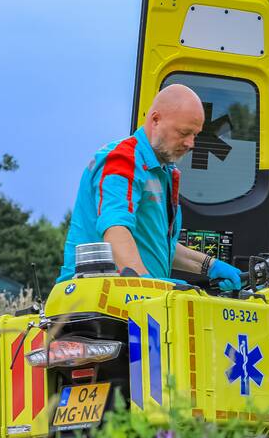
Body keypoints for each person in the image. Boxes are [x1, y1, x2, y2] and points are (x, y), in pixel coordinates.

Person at [58, 84, 242, 290]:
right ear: (155, 120)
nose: (191, 143)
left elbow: (156, 246)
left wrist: (210, 266)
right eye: (184, 132)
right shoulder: (123, 159)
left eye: (195, 135)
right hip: (92, 297)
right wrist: (145, 283)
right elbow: (115, 229)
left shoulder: (163, 171)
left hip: (128, 297)